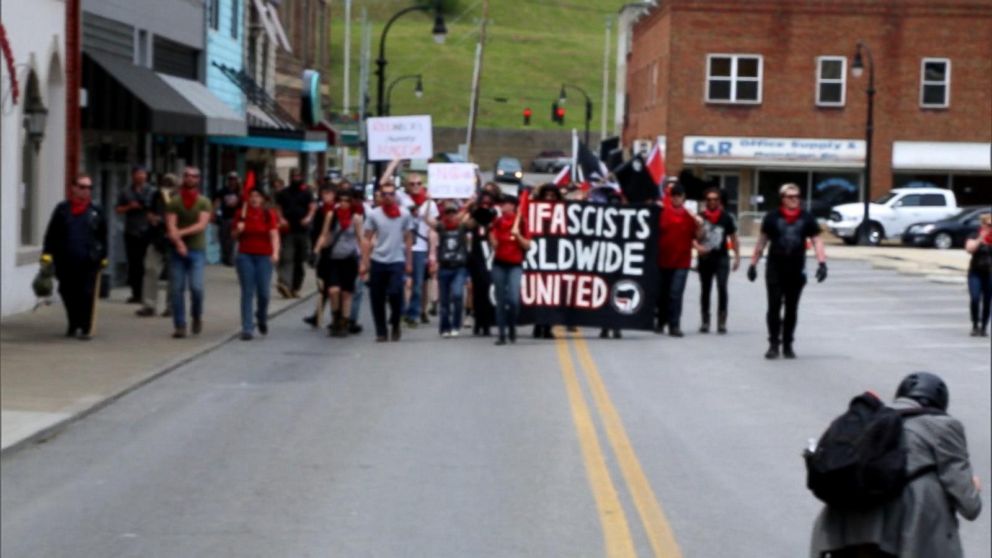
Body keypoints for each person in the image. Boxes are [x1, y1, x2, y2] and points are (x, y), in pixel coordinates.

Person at [810, 372, 982, 558]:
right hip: (904, 537)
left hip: (840, 531)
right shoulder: (943, 426)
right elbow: (969, 506)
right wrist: (973, 487)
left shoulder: (869, 418)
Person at [748, 183, 827, 359]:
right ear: (782, 199)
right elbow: (762, 241)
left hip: (796, 269)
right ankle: (773, 344)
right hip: (775, 268)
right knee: (774, 306)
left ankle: (788, 344)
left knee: (791, 308)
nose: (795, 200)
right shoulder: (771, 218)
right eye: (790, 197)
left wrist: (822, 263)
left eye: (797, 197)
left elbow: (817, 240)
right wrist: (753, 264)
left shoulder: (807, 218)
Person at [42, 174, 108, 340]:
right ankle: (73, 322)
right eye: (82, 187)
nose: (86, 191)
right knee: (67, 292)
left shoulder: (95, 211)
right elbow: (52, 233)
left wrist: (104, 256)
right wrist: (47, 255)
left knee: (86, 293)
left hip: (88, 259)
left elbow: (103, 235)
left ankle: (86, 327)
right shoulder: (62, 209)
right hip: (65, 260)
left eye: (89, 187)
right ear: (73, 188)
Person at [361, 171, 414, 342]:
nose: (388, 197)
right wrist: (364, 262)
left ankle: (396, 322)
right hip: (378, 259)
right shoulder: (374, 214)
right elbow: (367, 238)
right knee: (376, 297)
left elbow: (408, 238)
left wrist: (409, 262)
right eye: (384, 194)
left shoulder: (404, 214)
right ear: (380, 196)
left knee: (395, 292)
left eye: (391, 194)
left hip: (397, 260)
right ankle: (381, 331)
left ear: (395, 196)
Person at [165, 166, 212, 339]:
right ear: (183, 178)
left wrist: (180, 234)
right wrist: (178, 243)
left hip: (197, 251)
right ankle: (180, 325)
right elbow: (171, 224)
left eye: (194, 176)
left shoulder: (204, 201)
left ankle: (197, 316)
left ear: (198, 179)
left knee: (197, 288)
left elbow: (201, 225)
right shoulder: (175, 201)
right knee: (176, 289)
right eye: (187, 176)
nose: (190, 178)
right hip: (177, 252)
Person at [313, 185, 364, 337]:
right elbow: (324, 234)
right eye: (340, 200)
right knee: (333, 290)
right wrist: (316, 250)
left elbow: (360, 239)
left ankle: (344, 322)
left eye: (347, 201)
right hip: (334, 258)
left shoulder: (356, 218)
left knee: (346, 293)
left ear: (351, 202)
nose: (343, 203)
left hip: (349, 258)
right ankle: (335, 317)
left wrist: (364, 260)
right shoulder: (331, 215)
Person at [656, 182, 705, 337]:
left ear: (684, 198)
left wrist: (700, 227)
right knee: (663, 294)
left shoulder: (690, 216)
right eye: (674, 196)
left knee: (675, 294)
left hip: (682, 262)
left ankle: (674, 325)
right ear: (671, 197)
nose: (677, 198)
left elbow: (697, 237)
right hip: (664, 260)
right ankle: (661, 320)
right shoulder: (662, 213)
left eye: (679, 196)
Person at [232, 188, 280, 340]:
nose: (254, 199)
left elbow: (274, 234)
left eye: (257, 196)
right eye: (251, 196)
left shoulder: (268, 214)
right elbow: (233, 235)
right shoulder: (241, 214)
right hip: (245, 255)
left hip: (264, 257)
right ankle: (247, 327)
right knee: (247, 291)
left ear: (262, 199)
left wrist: (275, 252)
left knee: (264, 293)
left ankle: (261, 316)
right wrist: (239, 230)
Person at [697, 186, 740, 333]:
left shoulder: (726, 217)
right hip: (705, 258)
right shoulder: (700, 216)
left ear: (719, 201)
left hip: (722, 258)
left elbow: (733, 237)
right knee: (705, 289)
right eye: (709, 199)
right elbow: (694, 237)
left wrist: (737, 256)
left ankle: (722, 321)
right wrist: (698, 245)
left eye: (715, 199)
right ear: (705, 201)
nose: (712, 202)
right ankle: (705, 321)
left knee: (722, 287)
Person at [398, 171, 438, 327]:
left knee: (418, 283)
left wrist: (433, 251)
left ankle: (413, 313)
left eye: (419, 184)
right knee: (400, 282)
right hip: (402, 246)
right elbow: (383, 182)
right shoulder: (402, 199)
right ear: (407, 186)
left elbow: (433, 227)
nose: (416, 186)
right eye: (412, 184)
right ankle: (400, 310)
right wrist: (396, 162)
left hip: (420, 247)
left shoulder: (430, 203)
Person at [490, 194, 531, 345]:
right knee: (500, 300)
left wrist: (518, 236)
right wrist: (493, 241)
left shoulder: (521, 222)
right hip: (499, 264)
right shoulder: (498, 222)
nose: (503, 206)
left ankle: (512, 325)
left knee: (513, 299)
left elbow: (527, 245)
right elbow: (492, 238)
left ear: (513, 206)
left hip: (515, 265)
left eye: (505, 204)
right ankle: (502, 333)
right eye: (501, 204)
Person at [136, 173, 176, 317]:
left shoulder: (178, 199)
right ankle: (149, 305)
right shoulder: (155, 196)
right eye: (165, 184)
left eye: (169, 184)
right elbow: (149, 211)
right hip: (156, 237)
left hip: (173, 239)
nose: (166, 187)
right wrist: (152, 217)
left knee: (173, 274)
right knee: (150, 270)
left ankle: (171, 306)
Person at [432, 200, 471, 337]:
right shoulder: (441, 227)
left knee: (457, 294)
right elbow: (426, 219)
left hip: (459, 267)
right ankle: (444, 327)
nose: (451, 215)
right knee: (444, 300)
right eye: (448, 213)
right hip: (444, 267)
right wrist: (428, 202)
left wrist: (471, 203)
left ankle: (456, 324)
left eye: (453, 212)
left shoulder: (462, 227)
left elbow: (472, 221)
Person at [275, 169, 316, 298]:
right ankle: (285, 284)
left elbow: (312, 207)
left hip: (303, 231)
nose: (296, 178)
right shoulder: (284, 193)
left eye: (298, 175)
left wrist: (309, 218)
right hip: (288, 230)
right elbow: (278, 208)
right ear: (290, 177)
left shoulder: (307, 192)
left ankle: (295, 287)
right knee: (287, 257)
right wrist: (281, 219)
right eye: (294, 176)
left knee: (300, 259)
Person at [115, 165, 153, 303]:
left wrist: (144, 206)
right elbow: (118, 209)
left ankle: (146, 294)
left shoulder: (152, 191)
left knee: (147, 265)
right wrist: (129, 207)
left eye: (143, 174)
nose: (141, 176)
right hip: (131, 231)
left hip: (148, 232)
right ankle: (136, 293)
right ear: (133, 176)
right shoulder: (125, 191)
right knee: (134, 263)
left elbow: (155, 207)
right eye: (138, 174)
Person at [468, 188, 498, 336]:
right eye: (483, 203)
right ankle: (478, 322)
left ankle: (487, 322)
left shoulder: (495, 216)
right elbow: (466, 225)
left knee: (488, 289)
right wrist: (474, 210)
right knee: (477, 290)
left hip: (490, 257)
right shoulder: (475, 216)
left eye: (488, 203)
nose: (486, 205)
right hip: (476, 257)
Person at [965, 212, 992, 336]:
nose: (990, 227)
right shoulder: (975, 234)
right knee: (975, 298)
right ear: (983, 224)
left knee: (987, 300)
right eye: (988, 224)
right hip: (975, 272)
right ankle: (975, 324)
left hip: (990, 273)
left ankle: (984, 327)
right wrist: (981, 238)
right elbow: (969, 249)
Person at [213, 171, 242, 266]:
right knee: (223, 239)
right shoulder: (223, 191)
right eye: (230, 179)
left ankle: (230, 259)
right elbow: (216, 202)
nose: (232, 181)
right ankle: (225, 257)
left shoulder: (240, 192)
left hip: (235, 218)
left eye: (234, 179)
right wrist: (214, 212)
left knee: (232, 240)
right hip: (224, 217)